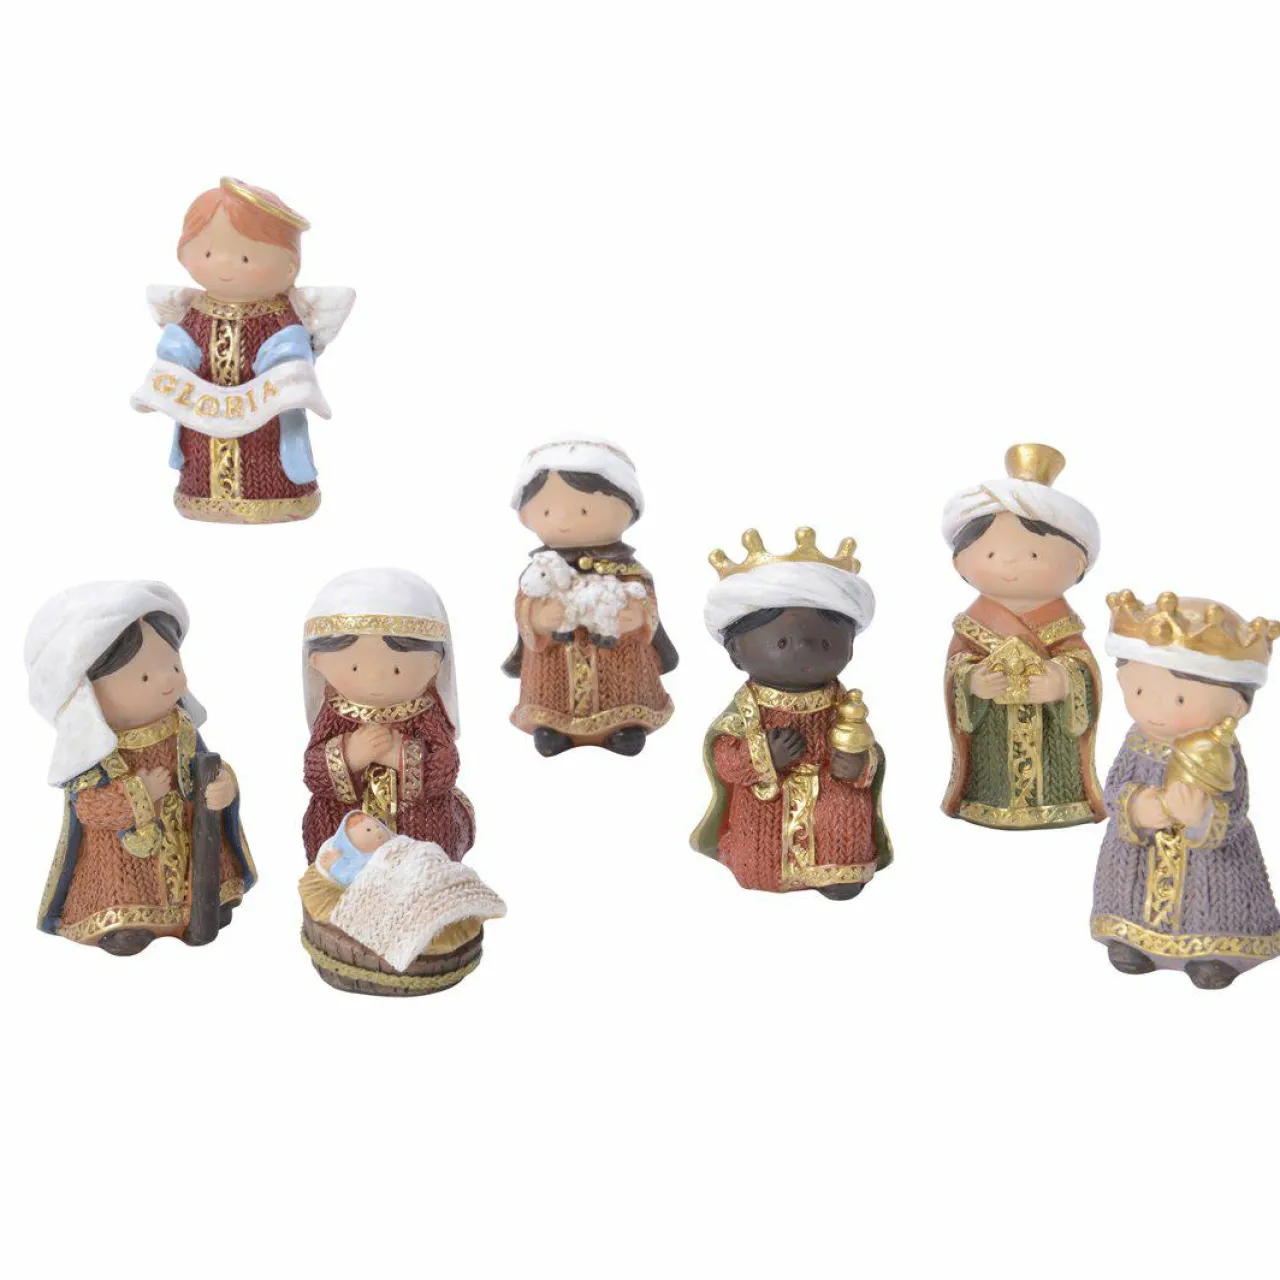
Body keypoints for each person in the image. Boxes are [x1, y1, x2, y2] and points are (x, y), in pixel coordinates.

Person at [26, 581, 255, 954]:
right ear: (86, 693)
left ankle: (209, 900)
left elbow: (206, 765)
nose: (168, 680)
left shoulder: (180, 727)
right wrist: (139, 793)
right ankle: (129, 921)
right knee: (124, 880)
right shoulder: (97, 749)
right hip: (126, 852)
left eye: (174, 666)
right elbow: (89, 806)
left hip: (189, 834)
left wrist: (224, 784)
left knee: (206, 870)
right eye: (145, 677)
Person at [132, 177, 355, 522]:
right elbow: (182, 349)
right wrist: (177, 357)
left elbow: (293, 356)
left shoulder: (278, 316)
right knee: (201, 454)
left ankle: (279, 497)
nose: (224, 265)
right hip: (203, 421)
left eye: (246, 257)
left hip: (265, 426)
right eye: (208, 253)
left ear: (290, 266)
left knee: (266, 454)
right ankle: (200, 495)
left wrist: (283, 359)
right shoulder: (195, 312)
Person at [1091, 590, 1280, 988]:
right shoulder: (1137, 741)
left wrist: (1203, 817)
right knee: (1129, 889)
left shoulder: (1221, 754)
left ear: (1237, 706)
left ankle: (1213, 953)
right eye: (1139, 692)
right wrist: (1135, 806)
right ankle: (1131, 940)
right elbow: (1114, 787)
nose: (1155, 710)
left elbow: (1236, 807)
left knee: (1212, 894)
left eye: (1179, 698)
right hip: (1138, 857)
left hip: (1209, 868)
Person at [690, 527, 892, 897]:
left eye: (824, 643)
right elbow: (723, 759)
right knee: (762, 845)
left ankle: (839, 874)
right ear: (736, 652)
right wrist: (764, 755)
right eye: (781, 642)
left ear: (849, 646)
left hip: (830, 790)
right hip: (768, 801)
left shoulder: (843, 703)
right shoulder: (747, 709)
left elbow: (869, 750)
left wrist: (859, 765)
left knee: (842, 811)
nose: (802, 650)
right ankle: (764, 871)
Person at [941, 443, 1106, 829]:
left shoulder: (1065, 628)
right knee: (990, 764)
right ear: (960, 563)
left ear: (1077, 565)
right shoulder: (971, 627)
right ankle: (981, 799)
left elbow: (1085, 669)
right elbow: (955, 669)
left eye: (1033, 556)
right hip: (991, 747)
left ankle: (1065, 800)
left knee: (1056, 766)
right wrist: (971, 682)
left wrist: (1064, 681)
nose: (1010, 563)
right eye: (991, 555)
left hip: (1055, 749)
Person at [504, 438, 677, 756]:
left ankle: (626, 725)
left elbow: (646, 601)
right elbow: (524, 603)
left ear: (627, 508)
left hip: (619, 658)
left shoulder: (628, 571)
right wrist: (537, 618)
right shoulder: (541, 571)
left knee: (625, 684)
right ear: (526, 516)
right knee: (550, 686)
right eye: (547, 511)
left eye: (584, 510)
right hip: (554, 660)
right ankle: (552, 728)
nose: (564, 521)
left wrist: (638, 616)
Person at [302, 568, 474, 863]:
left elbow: (445, 765)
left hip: (418, 818)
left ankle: (427, 879)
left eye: (396, 669)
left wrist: (401, 755)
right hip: (347, 818)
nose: (375, 679)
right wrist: (350, 756)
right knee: (329, 832)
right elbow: (313, 770)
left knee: (431, 836)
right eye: (355, 667)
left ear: (435, 664)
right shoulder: (335, 714)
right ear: (317, 662)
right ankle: (339, 880)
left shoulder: (425, 714)